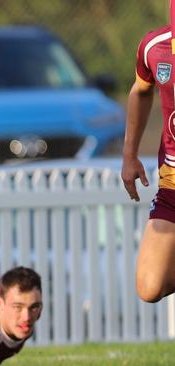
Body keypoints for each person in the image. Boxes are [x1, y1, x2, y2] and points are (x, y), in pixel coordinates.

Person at [122, 21, 175, 304]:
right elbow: (141, 91)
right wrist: (129, 155)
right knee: (149, 286)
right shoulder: (154, 46)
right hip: (172, 183)